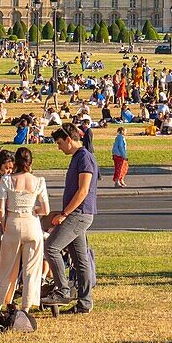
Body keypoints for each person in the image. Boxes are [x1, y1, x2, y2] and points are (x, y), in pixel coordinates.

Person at [41, 125, 99, 314]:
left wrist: (64, 214)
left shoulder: (84, 157)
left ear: (68, 139)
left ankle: (63, 291)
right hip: (78, 214)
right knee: (80, 260)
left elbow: (83, 190)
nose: (58, 147)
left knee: (51, 247)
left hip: (78, 214)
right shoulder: (78, 157)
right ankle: (85, 303)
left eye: (59, 143)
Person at [0, 147, 49, 310]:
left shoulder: (7, 180)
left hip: (13, 222)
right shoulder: (39, 181)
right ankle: (26, 306)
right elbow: (45, 209)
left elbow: (1, 209)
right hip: (32, 224)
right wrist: (33, 210)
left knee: (6, 267)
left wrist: (5, 225)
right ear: (30, 162)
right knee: (32, 269)